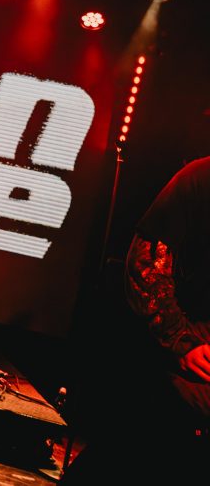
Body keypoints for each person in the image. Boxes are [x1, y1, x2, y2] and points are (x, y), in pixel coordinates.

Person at [62, 156, 210, 481]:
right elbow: (145, 266)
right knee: (135, 445)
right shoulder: (201, 178)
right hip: (175, 351)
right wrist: (181, 341)